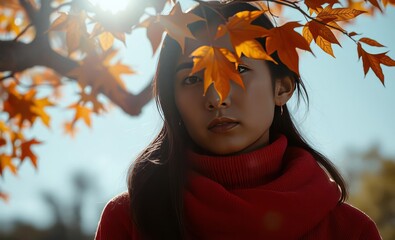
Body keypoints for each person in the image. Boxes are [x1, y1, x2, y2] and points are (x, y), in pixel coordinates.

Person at [95, 1, 381, 239]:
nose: (216, 97)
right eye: (192, 78)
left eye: (239, 69)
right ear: (173, 101)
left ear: (282, 88)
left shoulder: (351, 231)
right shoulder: (131, 220)